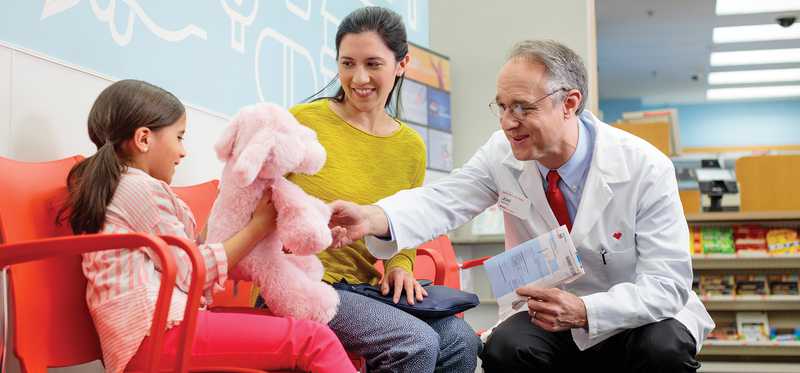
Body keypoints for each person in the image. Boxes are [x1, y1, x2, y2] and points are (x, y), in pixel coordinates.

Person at [327, 40, 715, 372]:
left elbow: (667, 285)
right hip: (548, 311)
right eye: (501, 107)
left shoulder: (644, 168)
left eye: (522, 107)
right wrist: (373, 217)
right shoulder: (503, 154)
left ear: (570, 103)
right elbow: (444, 199)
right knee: (505, 350)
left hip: (636, 314)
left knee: (662, 349)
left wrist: (586, 311)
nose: (508, 123)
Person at [60, 79, 355, 373]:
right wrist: (257, 228)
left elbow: (186, 259)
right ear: (144, 139)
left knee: (300, 336)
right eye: (179, 137)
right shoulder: (139, 190)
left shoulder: (122, 188)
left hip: (155, 335)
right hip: (158, 336)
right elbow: (192, 271)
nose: (183, 151)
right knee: (314, 339)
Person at [256, 6, 480, 373]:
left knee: (461, 341)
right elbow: (255, 199)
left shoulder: (410, 147)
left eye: (373, 64)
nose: (358, 77)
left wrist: (399, 266)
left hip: (362, 290)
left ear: (401, 64)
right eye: (347, 64)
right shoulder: (300, 122)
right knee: (414, 342)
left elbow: (406, 222)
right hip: (299, 284)